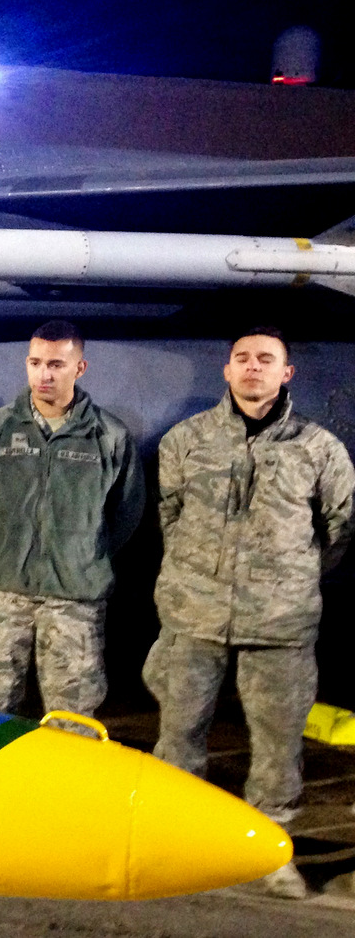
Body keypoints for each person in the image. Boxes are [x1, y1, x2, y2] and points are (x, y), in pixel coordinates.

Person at [143, 327, 353, 899]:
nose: (252, 367)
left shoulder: (319, 448)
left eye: (266, 359)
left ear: (288, 373)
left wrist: (284, 581)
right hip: (194, 616)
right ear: (226, 371)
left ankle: (269, 852)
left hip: (279, 624)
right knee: (179, 738)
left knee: (278, 747)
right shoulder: (186, 441)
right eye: (242, 358)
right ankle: (176, 846)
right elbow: (171, 514)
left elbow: (337, 531)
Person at [0, 320, 144, 727]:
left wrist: (83, 557)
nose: (45, 374)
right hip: (1, 596)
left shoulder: (108, 436)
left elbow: (126, 513)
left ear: (80, 368)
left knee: (72, 720)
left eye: (57, 364)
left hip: (74, 599)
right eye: (36, 362)